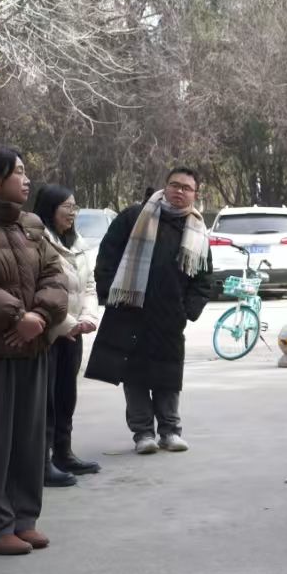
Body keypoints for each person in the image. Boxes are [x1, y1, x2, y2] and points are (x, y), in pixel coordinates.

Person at [86, 168, 213, 454]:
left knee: (169, 375)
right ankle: (143, 433)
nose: (179, 191)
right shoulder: (134, 216)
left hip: (170, 315)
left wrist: (186, 310)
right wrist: (112, 296)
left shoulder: (196, 229)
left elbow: (204, 276)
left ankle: (170, 431)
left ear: (195, 194)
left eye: (186, 188)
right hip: (131, 310)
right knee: (135, 375)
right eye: (174, 185)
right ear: (164, 187)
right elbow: (107, 256)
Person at [0, 145, 68, 556]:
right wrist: (17, 316)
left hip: (32, 349)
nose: (26, 179)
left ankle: (23, 518)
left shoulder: (32, 225)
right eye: (18, 171)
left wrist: (39, 315)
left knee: (29, 440)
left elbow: (57, 276)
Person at [34, 185, 102, 485]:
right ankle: (42, 461)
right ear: (50, 208)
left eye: (75, 207)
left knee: (66, 395)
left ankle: (63, 452)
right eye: (67, 207)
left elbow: (89, 286)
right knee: (45, 400)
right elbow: (38, 289)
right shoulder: (38, 240)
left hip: (74, 332)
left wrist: (87, 318)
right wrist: (68, 324)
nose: (73, 213)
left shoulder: (78, 243)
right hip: (48, 332)